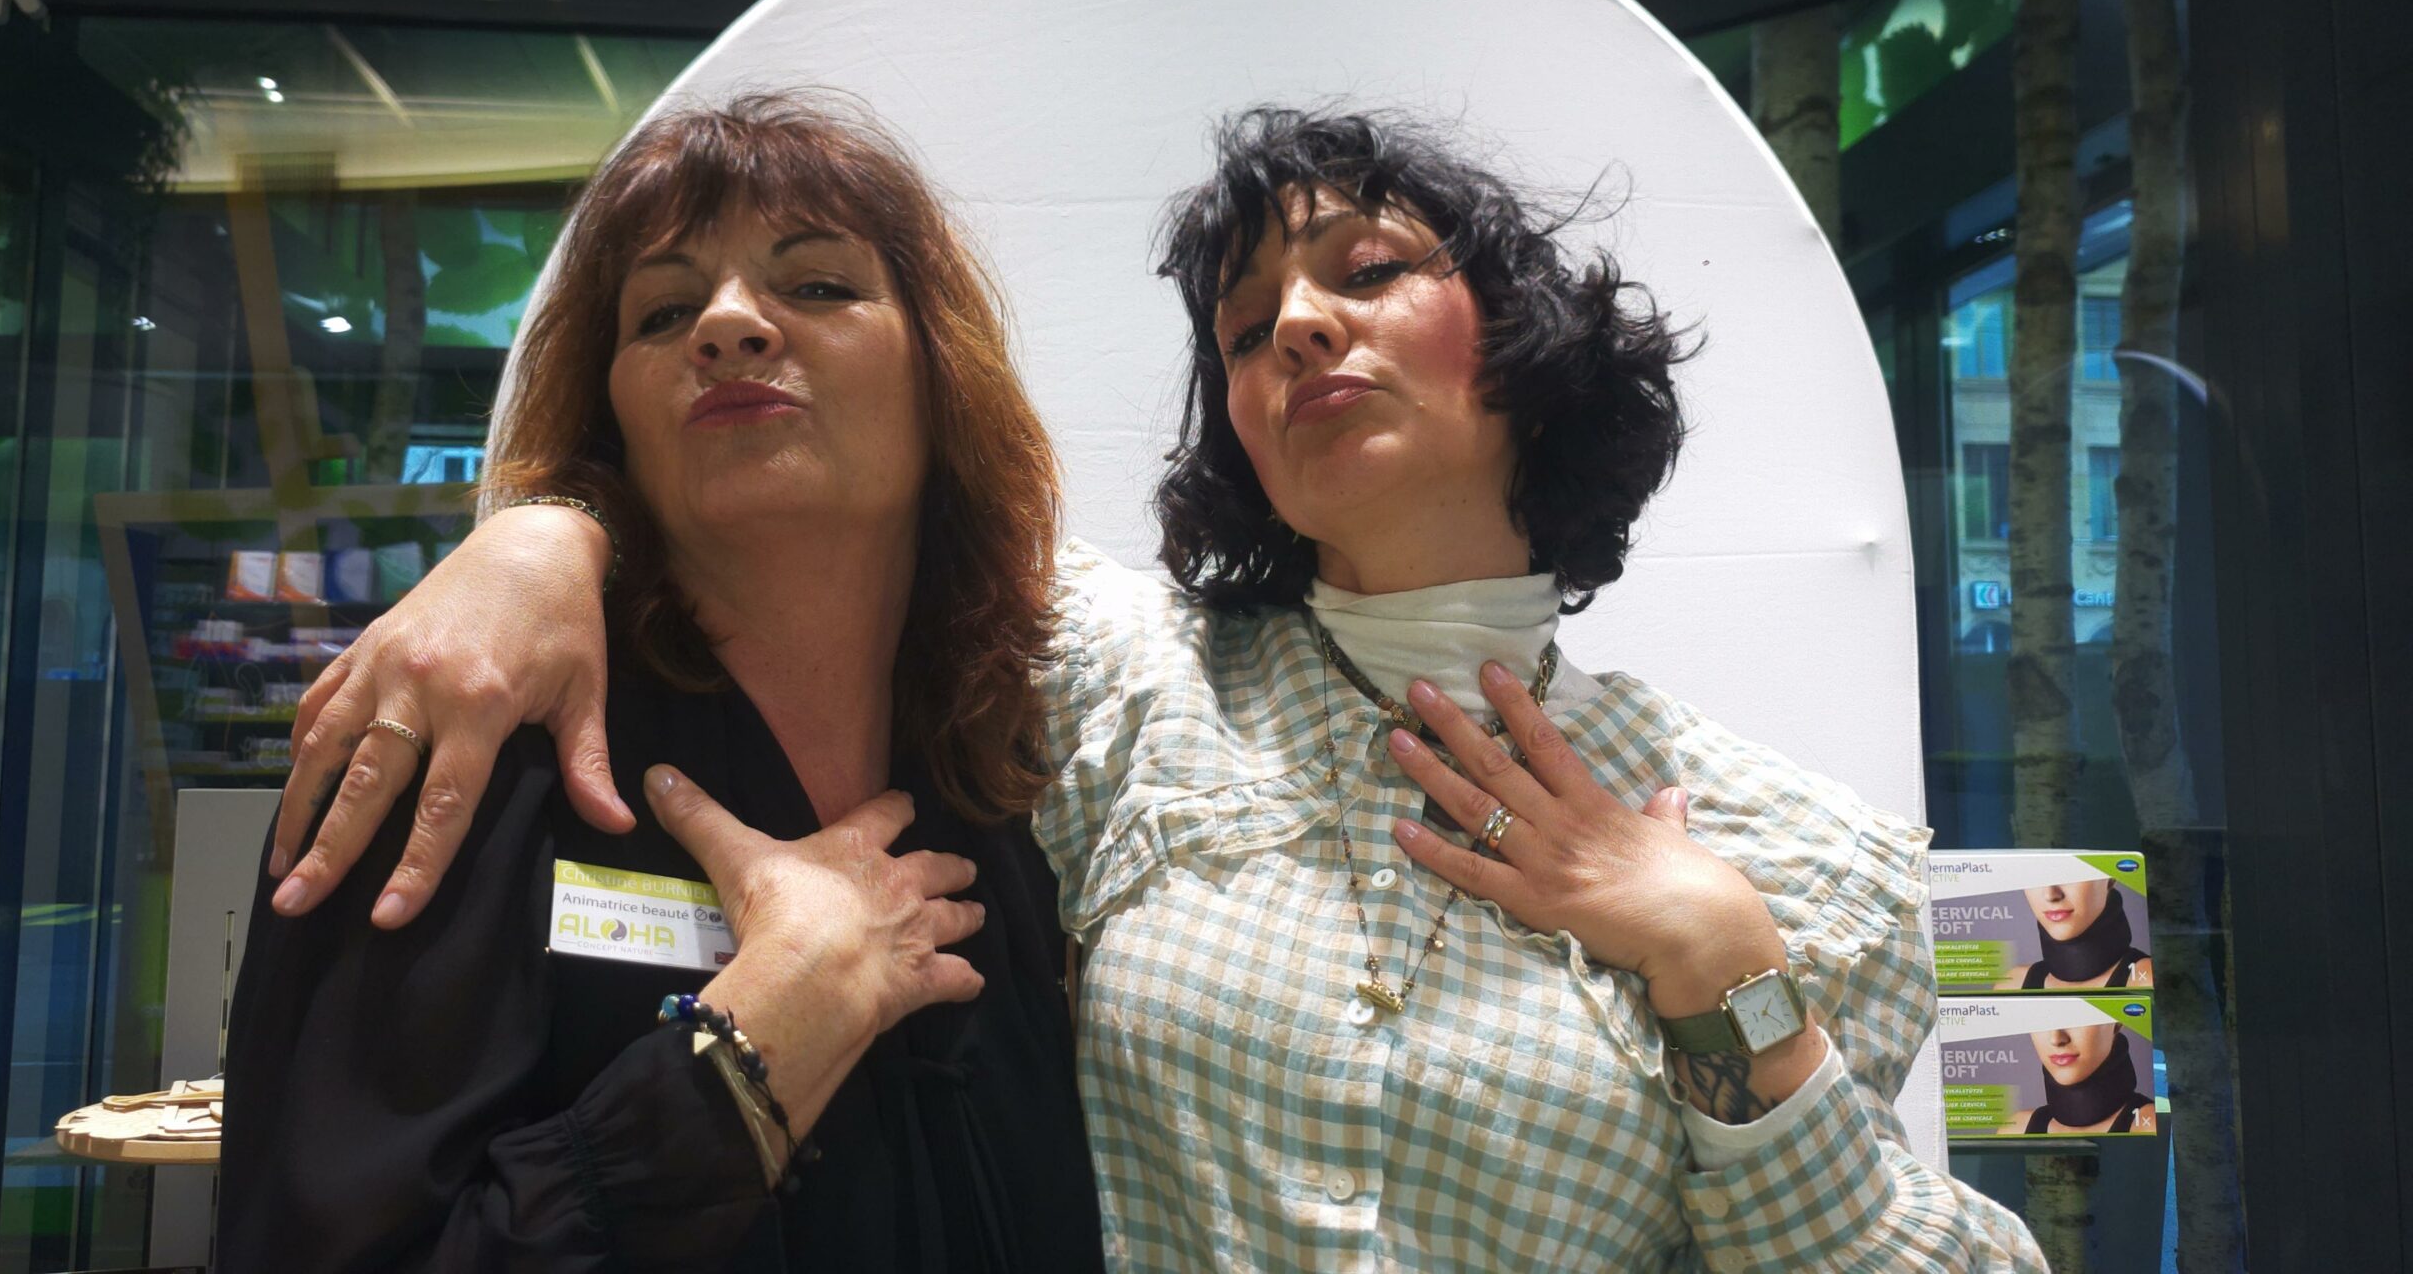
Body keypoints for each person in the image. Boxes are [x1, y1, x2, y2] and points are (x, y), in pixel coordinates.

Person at [273, 106, 2047, 1271]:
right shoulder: (1125, 689)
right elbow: (828, 517)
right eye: (1246, 323)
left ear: (1532, 339)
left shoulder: (1784, 849)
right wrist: (539, 537)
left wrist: (1732, 988)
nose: (1298, 327)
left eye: (1369, 273)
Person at [220, 95, 1103, 1272]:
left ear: (942, 374)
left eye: (818, 285)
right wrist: (753, 1049)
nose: (728, 325)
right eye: (664, 311)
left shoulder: (1024, 768)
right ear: (614, 411)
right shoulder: (467, 739)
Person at [1999, 1024, 2159, 1135]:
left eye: (2076, 1017)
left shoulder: (2152, 1126)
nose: (2056, 1038)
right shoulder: (2015, 1130)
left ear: (2117, 1022)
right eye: (2040, 1018)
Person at [1994, 879, 2154, 990]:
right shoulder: (2012, 984)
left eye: (2069, 873)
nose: (2050, 895)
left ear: (2110, 878)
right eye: (2033, 876)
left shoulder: (2146, 980)